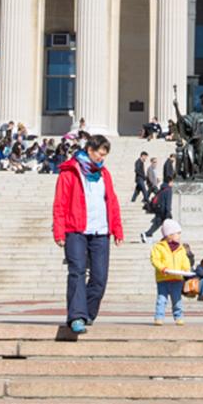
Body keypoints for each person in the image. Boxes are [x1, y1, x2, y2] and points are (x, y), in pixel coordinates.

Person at [51, 133, 123, 336]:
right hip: (76, 230)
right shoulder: (70, 172)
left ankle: (88, 313)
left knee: (100, 277)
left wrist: (117, 228)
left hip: (100, 231)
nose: (102, 158)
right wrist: (59, 231)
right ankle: (76, 316)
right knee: (77, 271)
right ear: (90, 150)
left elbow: (112, 201)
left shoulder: (104, 174)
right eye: (100, 154)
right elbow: (60, 204)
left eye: (104, 155)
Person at [150, 223, 193, 326]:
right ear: (170, 235)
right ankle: (159, 317)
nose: (179, 236)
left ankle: (178, 317)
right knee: (161, 299)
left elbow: (184, 260)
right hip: (163, 278)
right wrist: (162, 268)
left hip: (177, 278)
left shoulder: (181, 248)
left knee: (177, 299)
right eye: (178, 233)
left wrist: (186, 269)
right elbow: (155, 260)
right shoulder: (158, 247)